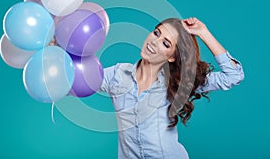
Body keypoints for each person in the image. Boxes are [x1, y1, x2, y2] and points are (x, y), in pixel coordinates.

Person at [99, 17, 244, 159]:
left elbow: (233, 76)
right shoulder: (118, 74)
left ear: (172, 57)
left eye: (166, 44)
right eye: (156, 33)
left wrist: (203, 32)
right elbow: (79, 81)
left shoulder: (179, 82)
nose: (154, 42)